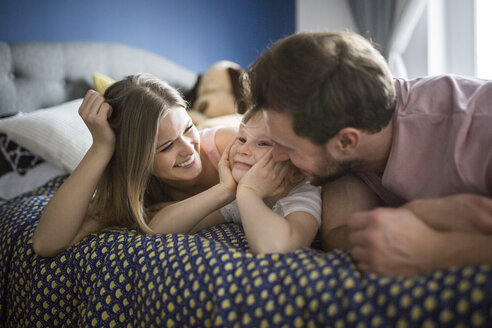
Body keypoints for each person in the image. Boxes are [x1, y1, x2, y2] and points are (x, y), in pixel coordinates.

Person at [240, 31, 492, 276]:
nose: (278, 157)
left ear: (347, 141)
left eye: (287, 147)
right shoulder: (341, 142)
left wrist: (442, 250)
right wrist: (421, 215)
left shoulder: (478, 125)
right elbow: (339, 233)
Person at [32, 73, 237, 257]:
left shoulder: (229, 147)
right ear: (138, 162)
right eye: (167, 147)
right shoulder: (138, 194)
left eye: (188, 128)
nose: (188, 149)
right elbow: (45, 243)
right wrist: (101, 147)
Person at [150, 108, 321, 254]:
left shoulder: (302, 195)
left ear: (298, 168)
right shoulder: (238, 196)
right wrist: (225, 189)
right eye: (242, 139)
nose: (243, 150)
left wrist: (249, 193)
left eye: (263, 144)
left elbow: (278, 249)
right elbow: (157, 231)